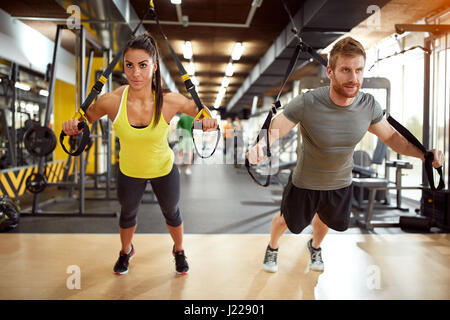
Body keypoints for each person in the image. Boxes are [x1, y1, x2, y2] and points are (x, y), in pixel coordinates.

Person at [247, 37, 445, 273]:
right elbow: (274, 129)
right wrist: (260, 146)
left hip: (340, 183)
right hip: (305, 182)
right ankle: (273, 246)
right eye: (346, 70)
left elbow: (393, 138)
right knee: (285, 221)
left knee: (324, 221)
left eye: (359, 70)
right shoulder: (307, 102)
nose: (354, 78)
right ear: (330, 71)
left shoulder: (368, 105)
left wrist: (424, 155)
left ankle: (315, 247)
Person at [62, 32, 217, 276]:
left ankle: (179, 250)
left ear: (154, 67)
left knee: (172, 212)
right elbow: (84, 119)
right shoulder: (112, 101)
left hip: (163, 169)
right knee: (127, 214)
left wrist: (208, 120)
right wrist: (72, 125)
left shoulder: (168, 101)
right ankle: (126, 251)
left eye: (143, 66)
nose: (135, 73)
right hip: (129, 170)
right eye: (130, 65)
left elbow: (201, 111)